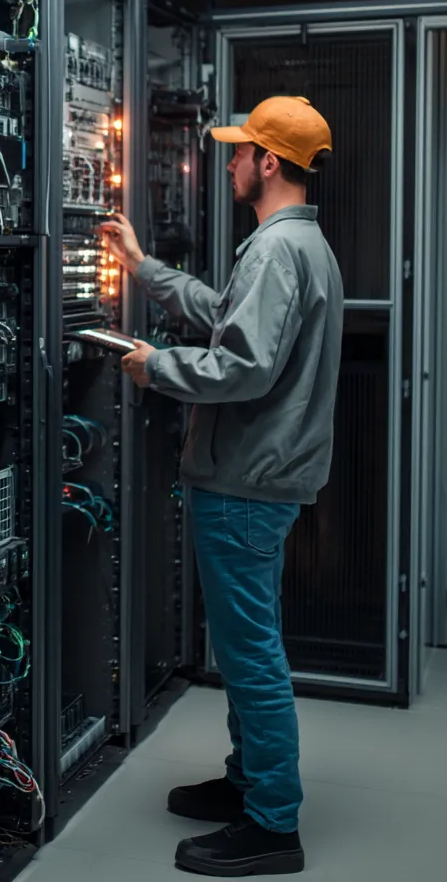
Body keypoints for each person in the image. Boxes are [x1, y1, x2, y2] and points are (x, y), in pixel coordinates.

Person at [102, 95, 343, 877]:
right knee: (249, 648)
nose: (230, 161)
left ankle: (272, 824)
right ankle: (249, 786)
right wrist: (145, 270)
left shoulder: (277, 252)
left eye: (239, 152)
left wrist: (153, 367)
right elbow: (227, 318)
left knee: (252, 658)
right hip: (258, 481)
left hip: (245, 483)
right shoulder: (297, 246)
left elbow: (242, 366)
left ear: (269, 162)